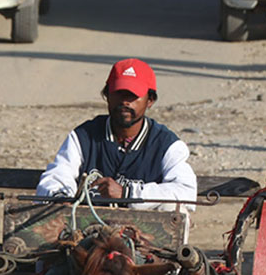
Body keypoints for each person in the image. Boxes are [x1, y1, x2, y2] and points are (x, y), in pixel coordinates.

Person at [37, 58, 197, 211]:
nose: (125, 102)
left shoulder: (166, 144)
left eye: (133, 95)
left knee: (174, 209)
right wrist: (59, 196)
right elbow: (59, 173)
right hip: (87, 229)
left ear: (150, 100)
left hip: (145, 232)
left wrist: (127, 193)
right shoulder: (83, 137)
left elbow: (185, 191)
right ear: (107, 95)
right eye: (119, 93)